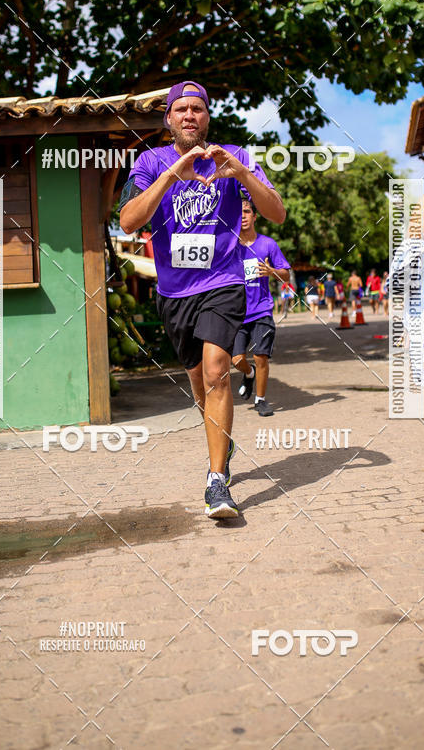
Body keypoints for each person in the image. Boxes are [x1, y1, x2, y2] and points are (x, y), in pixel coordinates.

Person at [119, 80, 285, 519]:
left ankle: (216, 481)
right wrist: (172, 175)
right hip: (174, 292)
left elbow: (277, 212)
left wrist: (242, 174)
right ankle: (221, 444)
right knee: (199, 381)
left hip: (223, 282)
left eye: (198, 109)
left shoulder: (234, 155)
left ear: (207, 117)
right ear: (168, 119)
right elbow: (129, 221)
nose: (190, 115)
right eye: (182, 109)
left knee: (217, 373)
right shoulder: (150, 161)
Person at [232, 198, 291, 417]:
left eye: (247, 211)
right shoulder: (229, 246)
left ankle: (261, 400)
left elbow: (286, 274)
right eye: (239, 212)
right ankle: (249, 374)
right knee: (236, 359)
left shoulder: (268, 244)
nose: (243, 216)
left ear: (255, 216)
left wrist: (271, 271)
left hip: (261, 310)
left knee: (261, 355)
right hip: (237, 313)